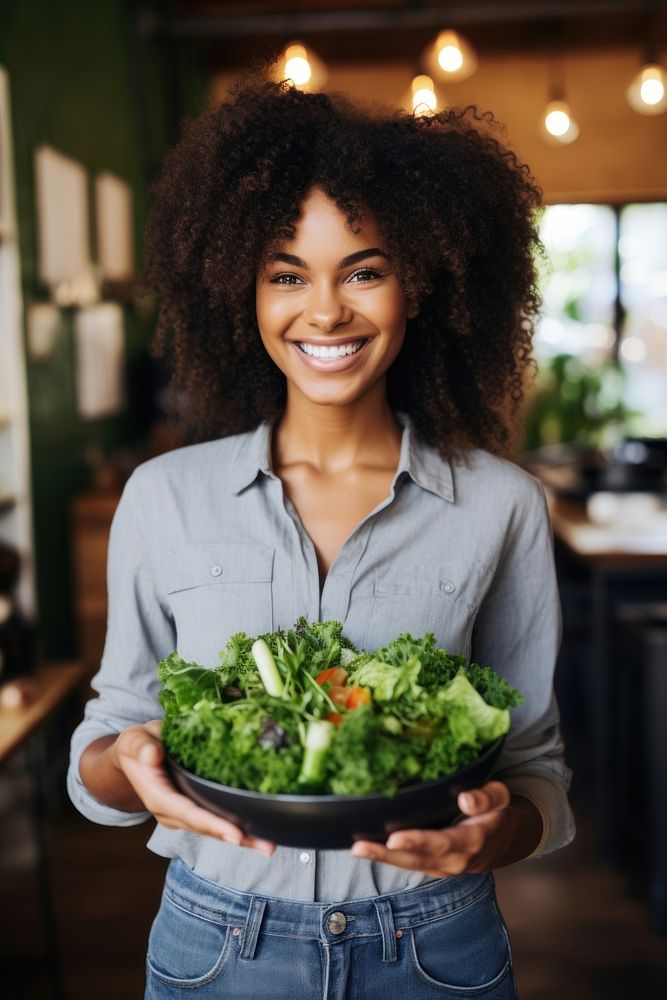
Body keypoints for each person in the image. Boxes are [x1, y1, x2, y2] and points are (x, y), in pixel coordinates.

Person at [68, 67, 575, 999]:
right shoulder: (162, 497)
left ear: (416, 286)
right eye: (286, 275)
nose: (326, 310)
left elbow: (535, 774)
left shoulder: (501, 505)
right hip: (219, 942)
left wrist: (489, 836)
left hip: (433, 947)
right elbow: (103, 752)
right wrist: (125, 765)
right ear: (244, 296)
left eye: (365, 271)